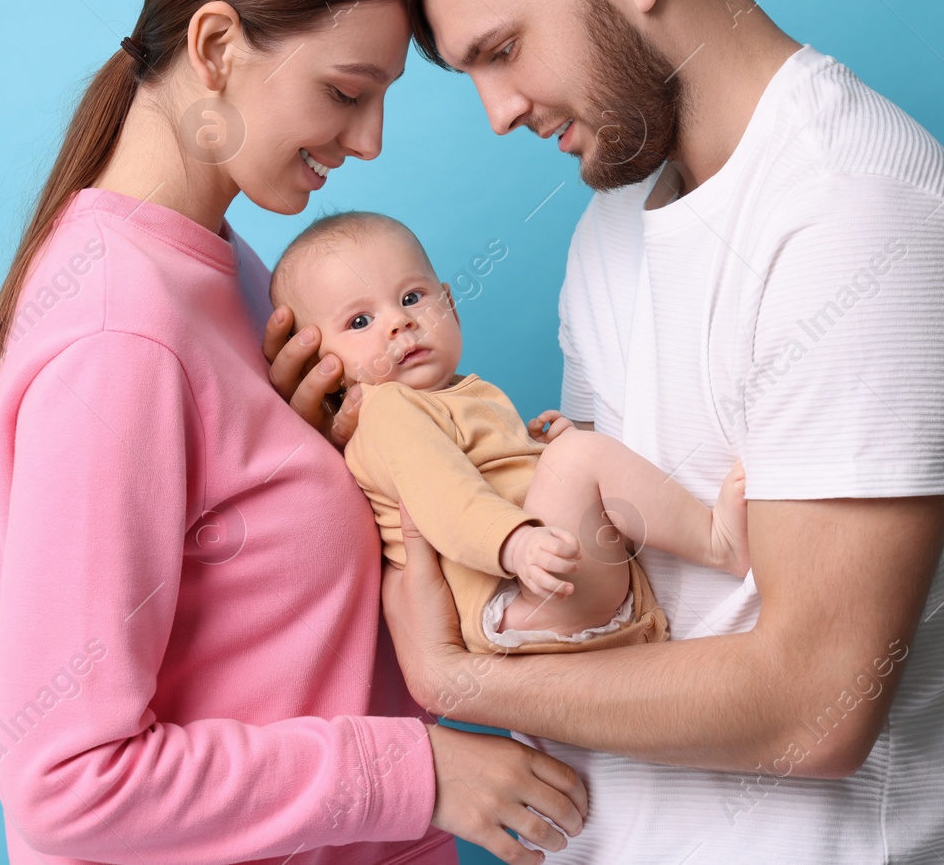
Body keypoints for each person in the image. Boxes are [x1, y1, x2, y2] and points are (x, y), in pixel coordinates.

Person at [268, 0, 944, 863]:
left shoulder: (859, 220)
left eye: (502, 49)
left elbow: (811, 706)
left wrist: (461, 682)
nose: (496, 110)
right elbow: (602, 582)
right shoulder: (611, 228)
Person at [0, 0, 589, 865]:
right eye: (347, 91)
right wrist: (420, 771)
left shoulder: (239, 275)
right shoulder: (117, 329)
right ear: (216, 45)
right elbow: (67, 782)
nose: (371, 139)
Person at [267, 209, 749, 656]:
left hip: (536, 583)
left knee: (572, 458)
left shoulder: (456, 395)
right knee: (579, 459)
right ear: (320, 366)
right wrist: (515, 542)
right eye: (360, 321)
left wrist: (539, 454)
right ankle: (717, 542)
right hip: (511, 591)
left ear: (450, 305)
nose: (399, 322)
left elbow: (492, 474)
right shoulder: (385, 409)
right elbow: (444, 499)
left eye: (412, 297)